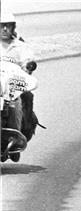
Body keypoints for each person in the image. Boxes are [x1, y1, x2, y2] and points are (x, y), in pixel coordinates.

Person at [1, 10, 39, 142]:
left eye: (8, 25)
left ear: (13, 27)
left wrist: (28, 66)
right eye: (1, 25)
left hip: (13, 86)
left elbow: (27, 62)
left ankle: (15, 136)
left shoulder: (21, 46)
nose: (5, 29)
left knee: (16, 103)